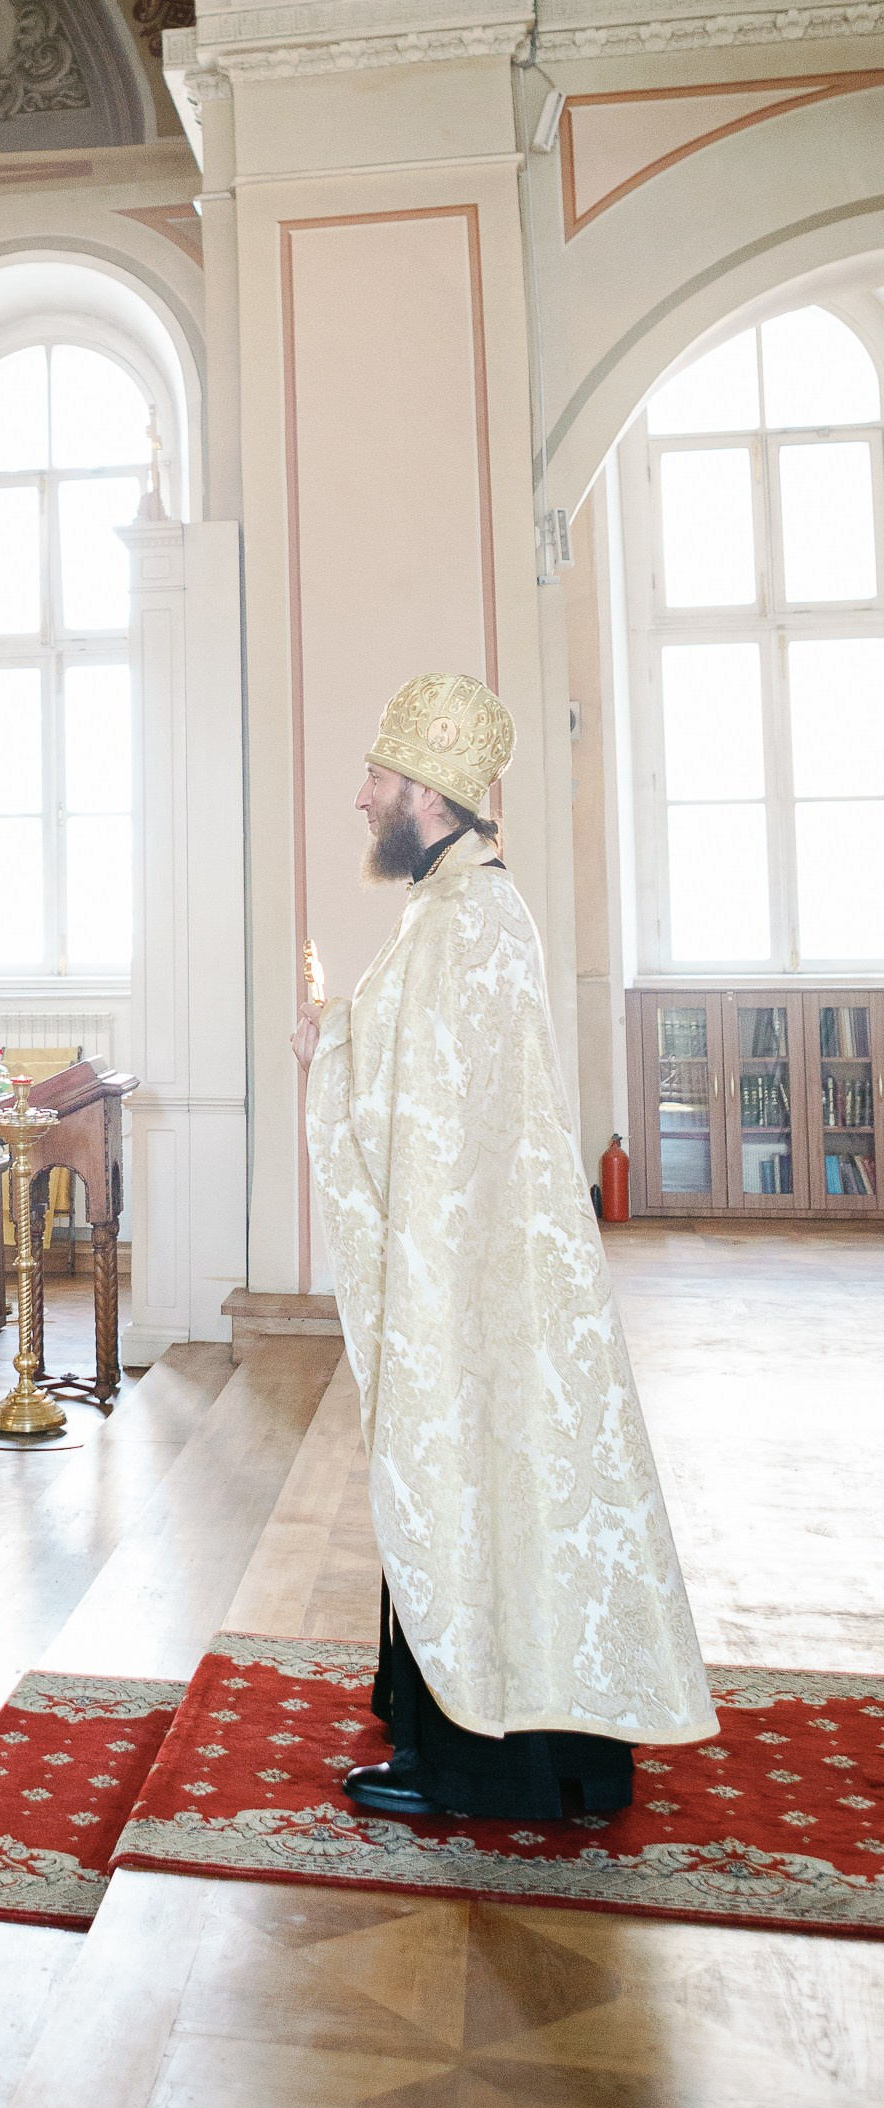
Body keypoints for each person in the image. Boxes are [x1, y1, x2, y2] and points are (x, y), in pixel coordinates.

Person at [293, 671, 716, 1823]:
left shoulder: (462, 922)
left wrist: (323, 1054)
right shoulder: (464, 912)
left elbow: (412, 1109)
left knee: (469, 1481)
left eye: (376, 778)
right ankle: (544, 1759)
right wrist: (345, 1045)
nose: (361, 797)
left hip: (466, 1277)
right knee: (500, 1491)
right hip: (484, 1266)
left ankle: (469, 1771)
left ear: (424, 793)